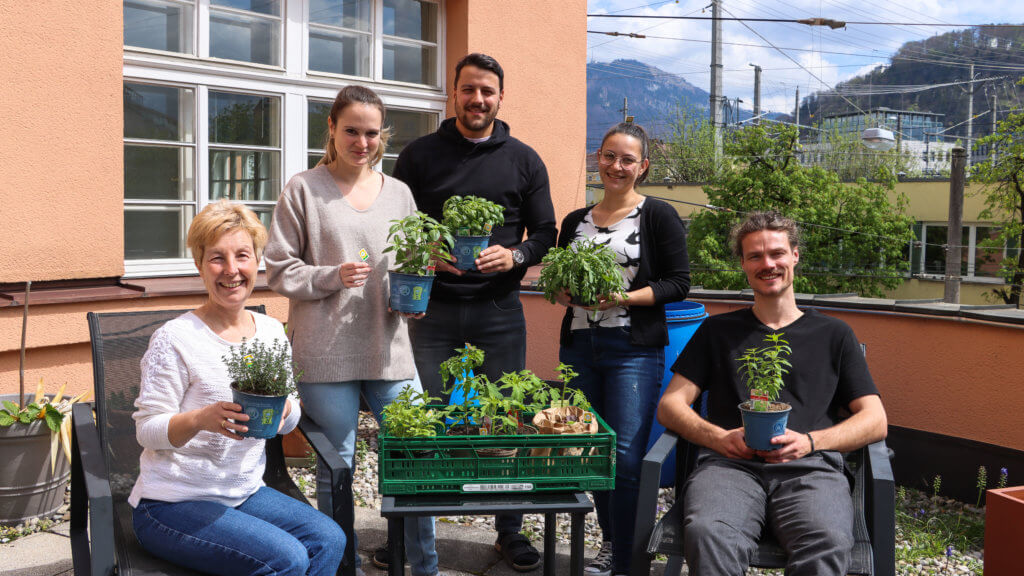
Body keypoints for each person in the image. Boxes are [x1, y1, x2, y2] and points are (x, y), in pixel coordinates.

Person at [264, 85, 444, 576]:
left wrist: (414, 298)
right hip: (325, 353)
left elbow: (412, 261)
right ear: (332, 129)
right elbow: (278, 269)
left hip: (390, 349)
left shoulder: (400, 194)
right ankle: (344, 567)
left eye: (371, 133)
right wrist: (330, 276)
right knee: (336, 467)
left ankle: (421, 565)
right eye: (351, 131)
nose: (361, 142)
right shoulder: (303, 188)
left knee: (416, 456)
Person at [391, 52, 557, 572]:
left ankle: (509, 531)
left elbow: (546, 233)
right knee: (427, 425)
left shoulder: (525, 159)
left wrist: (517, 255)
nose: (477, 99)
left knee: (506, 421)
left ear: (500, 97)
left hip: (498, 310)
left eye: (487, 91)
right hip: (431, 314)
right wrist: (423, 252)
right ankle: (418, 540)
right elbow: (395, 224)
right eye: (468, 90)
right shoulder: (419, 155)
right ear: (453, 93)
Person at [656, 211, 888, 576]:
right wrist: (719, 438)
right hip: (728, 466)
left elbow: (875, 420)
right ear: (743, 265)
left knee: (827, 541)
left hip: (810, 469)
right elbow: (671, 405)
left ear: (794, 255)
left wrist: (811, 442)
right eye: (755, 256)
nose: (768, 264)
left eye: (777, 253)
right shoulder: (716, 331)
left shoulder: (835, 335)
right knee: (707, 533)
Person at [130, 200, 345, 576]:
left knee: (330, 539)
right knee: (287, 558)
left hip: (243, 493)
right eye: (216, 258)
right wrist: (199, 418)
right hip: (169, 505)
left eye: (242, 255)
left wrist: (286, 412)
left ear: (257, 260)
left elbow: (288, 416)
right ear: (199, 265)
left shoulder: (272, 333)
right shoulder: (175, 339)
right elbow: (147, 430)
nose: (231, 270)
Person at [554, 122, 690, 576]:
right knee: (594, 452)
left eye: (627, 159)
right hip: (579, 346)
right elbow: (558, 281)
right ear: (599, 158)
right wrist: (565, 294)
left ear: (642, 167)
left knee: (628, 457)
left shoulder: (657, 215)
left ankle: (632, 560)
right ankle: (613, 546)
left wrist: (624, 298)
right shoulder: (575, 221)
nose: (617, 166)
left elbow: (678, 283)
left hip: (632, 347)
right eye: (610, 156)